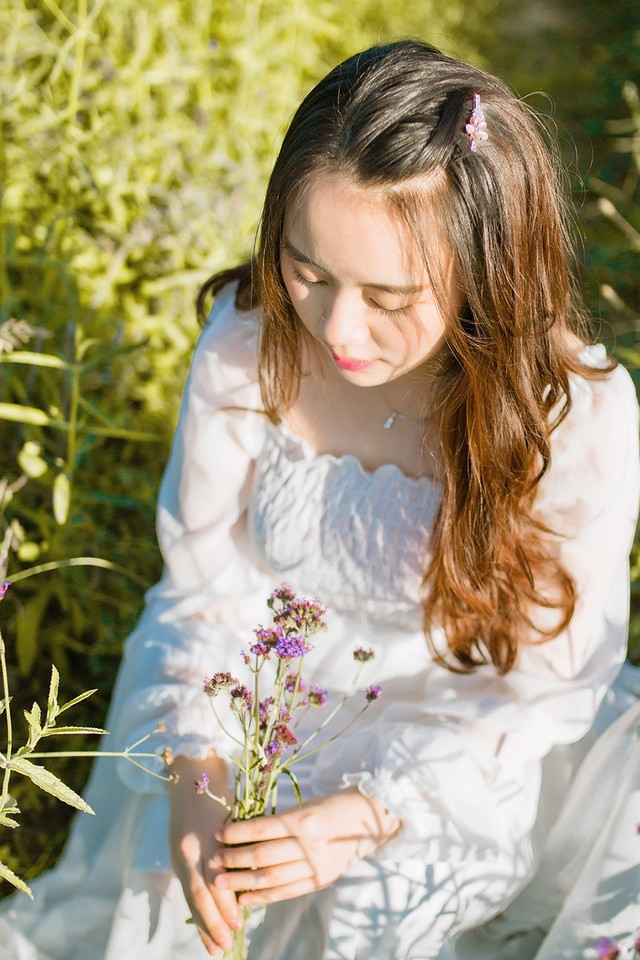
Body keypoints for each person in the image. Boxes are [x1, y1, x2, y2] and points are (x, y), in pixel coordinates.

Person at [1, 38, 639, 960]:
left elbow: (539, 691)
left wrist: (368, 813)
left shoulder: (569, 417)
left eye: (389, 296)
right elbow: (201, 591)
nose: (337, 328)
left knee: (383, 907)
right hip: (257, 693)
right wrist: (198, 778)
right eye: (308, 270)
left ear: (487, 273)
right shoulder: (248, 345)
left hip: (452, 740)